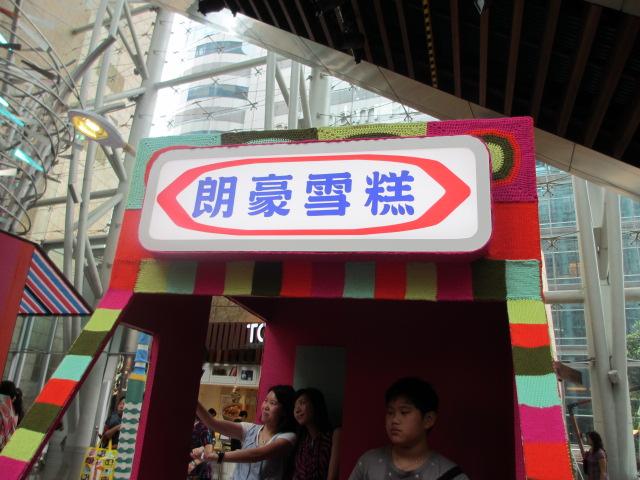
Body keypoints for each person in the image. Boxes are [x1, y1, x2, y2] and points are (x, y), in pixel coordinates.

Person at [349, 378, 468, 480]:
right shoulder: (368, 463)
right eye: (390, 412)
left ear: (428, 420)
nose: (394, 420)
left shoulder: (450, 475)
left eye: (404, 412)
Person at [191, 385, 297, 480]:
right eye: (265, 401)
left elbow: (257, 455)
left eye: (272, 403)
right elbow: (213, 423)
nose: (265, 406)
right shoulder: (250, 429)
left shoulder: (288, 437)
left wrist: (217, 456)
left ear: (284, 411)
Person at [293, 388, 341, 480]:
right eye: (295, 406)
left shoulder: (334, 435)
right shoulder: (302, 441)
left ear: (315, 404)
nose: (297, 410)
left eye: (302, 403)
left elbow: (332, 477)